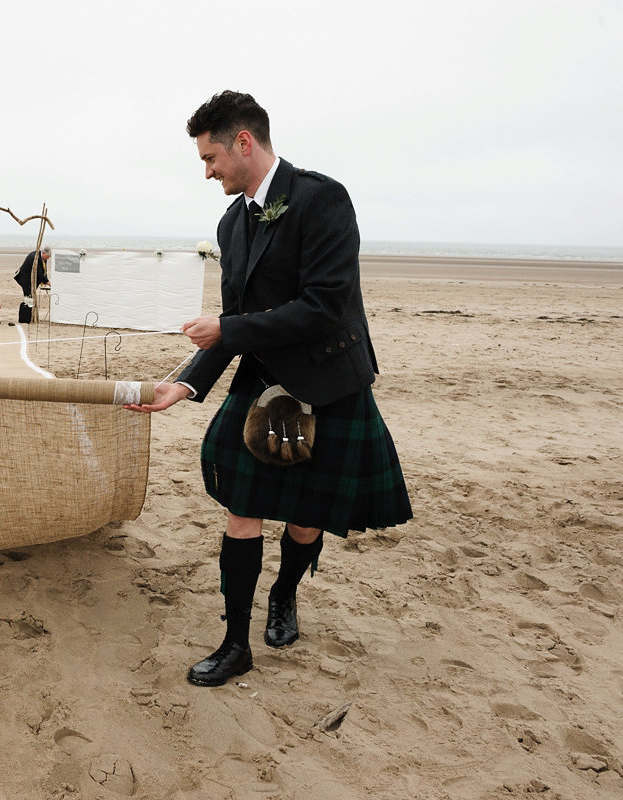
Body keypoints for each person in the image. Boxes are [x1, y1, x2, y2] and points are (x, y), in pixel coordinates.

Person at [126, 91, 412, 686]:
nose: (208, 172)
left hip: (330, 381)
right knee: (244, 507)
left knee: (305, 519)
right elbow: (235, 319)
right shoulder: (232, 222)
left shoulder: (320, 198)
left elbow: (326, 306)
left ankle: (285, 593)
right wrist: (183, 384)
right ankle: (235, 644)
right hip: (261, 378)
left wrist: (228, 327)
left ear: (244, 142)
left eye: (210, 158)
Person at [14, 246, 50, 323]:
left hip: (32, 280)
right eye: (47, 256)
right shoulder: (35, 258)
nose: (48, 258)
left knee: (31, 297)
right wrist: (46, 281)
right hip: (26, 280)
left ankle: (30, 316)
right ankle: (26, 318)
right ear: (43, 253)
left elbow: (44, 271)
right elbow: (38, 273)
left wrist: (46, 280)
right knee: (28, 298)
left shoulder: (43, 259)